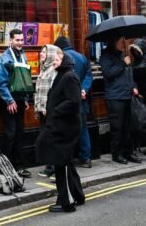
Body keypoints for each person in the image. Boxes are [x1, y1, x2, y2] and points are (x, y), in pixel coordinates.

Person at [36, 48, 85, 213]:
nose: (54, 62)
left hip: (66, 126)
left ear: (64, 62)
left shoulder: (69, 76)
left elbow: (73, 101)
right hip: (60, 125)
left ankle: (67, 202)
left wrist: (55, 111)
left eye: (57, 60)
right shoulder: (61, 75)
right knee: (66, 163)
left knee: (61, 163)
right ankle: (77, 195)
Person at [0, 28, 32, 177]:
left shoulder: (23, 56)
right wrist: (9, 101)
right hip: (8, 101)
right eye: (17, 40)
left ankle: (19, 166)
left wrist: (25, 98)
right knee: (10, 134)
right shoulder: (4, 58)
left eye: (22, 40)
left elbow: (25, 80)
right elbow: (1, 83)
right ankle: (7, 167)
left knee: (19, 134)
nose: (20, 43)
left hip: (20, 100)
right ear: (10, 40)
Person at [99, 36, 141, 164]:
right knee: (117, 127)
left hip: (126, 95)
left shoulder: (122, 54)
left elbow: (129, 73)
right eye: (120, 42)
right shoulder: (106, 56)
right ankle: (117, 154)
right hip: (115, 96)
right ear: (113, 42)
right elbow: (108, 73)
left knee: (127, 126)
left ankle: (128, 152)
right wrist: (123, 63)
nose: (124, 44)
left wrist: (133, 86)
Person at [54, 36, 94, 168]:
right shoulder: (82, 57)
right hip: (80, 100)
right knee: (82, 129)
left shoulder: (60, 58)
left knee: (66, 131)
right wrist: (83, 89)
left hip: (66, 101)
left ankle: (67, 159)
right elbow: (89, 75)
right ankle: (85, 158)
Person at [35, 44, 62, 179]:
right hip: (42, 111)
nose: (41, 54)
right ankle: (50, 167)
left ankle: (54, 168)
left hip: (48, 111)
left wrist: (46, 107)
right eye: (41, 51)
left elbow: (52, 91)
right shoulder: (44, 68)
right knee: (46, 139)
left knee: (51, 139)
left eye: (44, 52)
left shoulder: (53, 70)